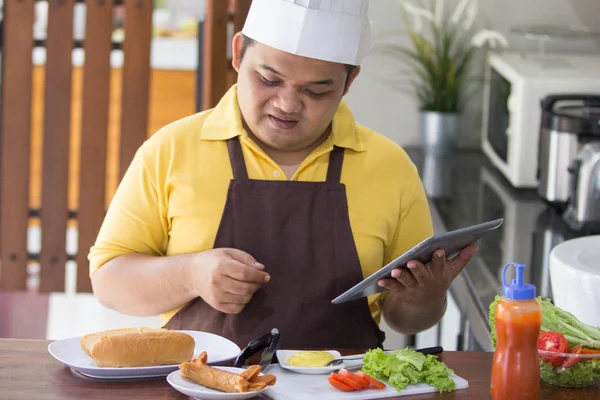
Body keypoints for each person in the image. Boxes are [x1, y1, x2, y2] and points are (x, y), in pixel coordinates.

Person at [88, 0, 479, 350]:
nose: (287, 104)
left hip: (341, 392)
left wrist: (423, 298)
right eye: (269, 79)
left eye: (317, 91)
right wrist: (190, 274)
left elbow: (406, 319)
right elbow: (109, 281)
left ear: (349, 82)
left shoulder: (390, 167)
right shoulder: (171, 149)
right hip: (199, 387)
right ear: (239, 53)